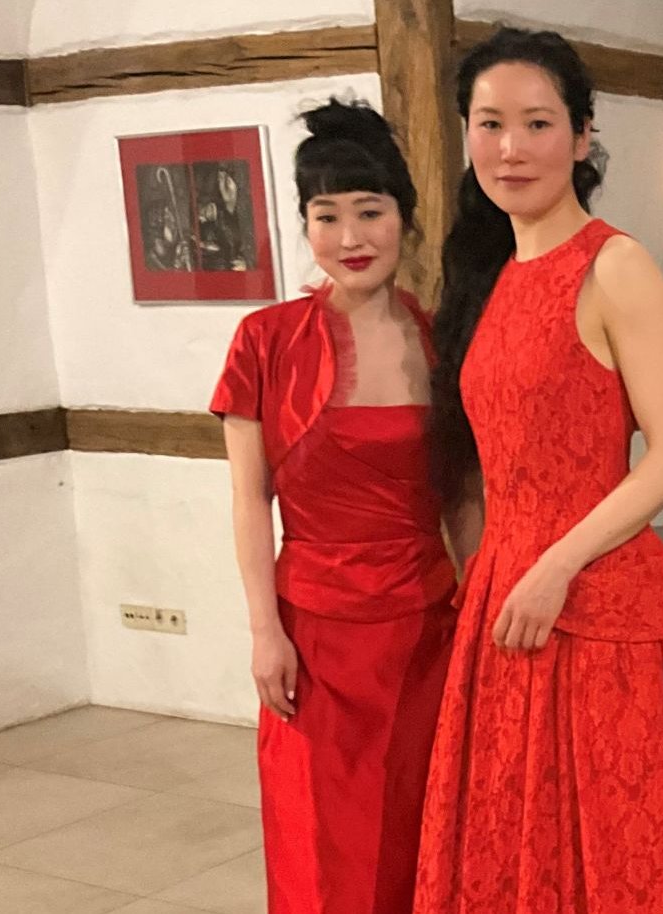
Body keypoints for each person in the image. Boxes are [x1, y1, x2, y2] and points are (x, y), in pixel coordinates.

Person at [413, 26, 663, 914]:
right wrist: (497, 568)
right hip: (510, 594)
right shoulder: (489, 273)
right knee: (520, 846)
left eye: (537, 124)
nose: (510, 148)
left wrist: (556, 565)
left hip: (599, 597)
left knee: (615, 856)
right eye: (490, 124)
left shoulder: (616, 264)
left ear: (581, 135)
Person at [212, 97, 454, 914]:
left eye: (369, 212)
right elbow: (249, 502)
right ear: (306, 225)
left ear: (403, 219)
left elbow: (462, 496)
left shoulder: (438, 342)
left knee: (423, 827)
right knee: (321, 840)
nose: (349, 238)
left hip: (428, 627)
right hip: (311, 633)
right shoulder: (264, 339)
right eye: (327, 216)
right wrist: (263, 630)